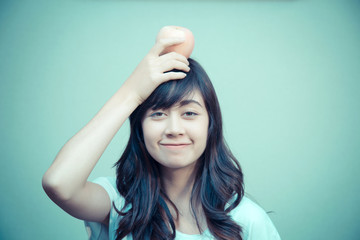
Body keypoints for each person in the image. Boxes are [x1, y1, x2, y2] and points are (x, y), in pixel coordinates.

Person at [42, 31, 281, 240]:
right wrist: (132, 92)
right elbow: (59, 183)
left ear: (211, 125)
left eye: (189, 113)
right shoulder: (119, 205)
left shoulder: (247, 221)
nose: (174, 128)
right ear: (140, 127)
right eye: (157, 114)